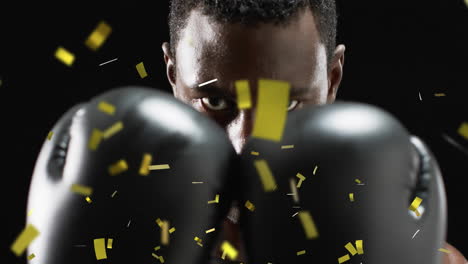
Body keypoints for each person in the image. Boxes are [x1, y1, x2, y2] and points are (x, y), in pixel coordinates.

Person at [160, 0, 467, 263]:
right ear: (173, 75)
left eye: (284, 104)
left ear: (332, 80)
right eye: (215, 102)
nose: (245, 145)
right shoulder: (126, 235)